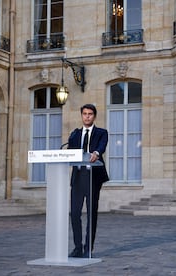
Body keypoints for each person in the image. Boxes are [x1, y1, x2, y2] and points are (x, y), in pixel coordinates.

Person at [68, 104, 109, 258]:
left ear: (94, 116)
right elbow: (69, 151)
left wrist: (96, 153)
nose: (87, 116)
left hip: (93, 176)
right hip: (78, 177)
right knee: (74, 213)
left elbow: (102, 146)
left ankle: (88, 249)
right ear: (81, 115)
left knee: (91, 214)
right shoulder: (75, 134)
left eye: (90, 114)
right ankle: (78, 247)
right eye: (84, 114)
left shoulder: (101, 133)